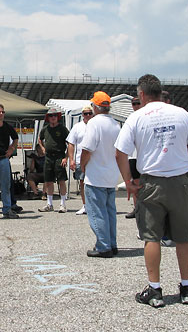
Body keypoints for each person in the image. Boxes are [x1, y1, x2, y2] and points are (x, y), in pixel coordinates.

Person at [115, 74, 188, 307]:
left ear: (142, 94)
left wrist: (129, 181)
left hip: (151, 182)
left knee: (151, 237)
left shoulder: (137, 117)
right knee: (184, 237)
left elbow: (120, 153)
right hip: (180, 182)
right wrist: (178, 150)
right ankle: (186, 287)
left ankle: (155, 290)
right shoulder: (181, 113)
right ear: (160, 92)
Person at [80, 92, 120, 258]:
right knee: (110, 212)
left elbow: (87, 149)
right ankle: (112, 243)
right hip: (111, 174)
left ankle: (103, 246)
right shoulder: (115, 124)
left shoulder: (94, 123)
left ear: (95, 107)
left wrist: (82, 166)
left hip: (96, 175)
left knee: (97, 212)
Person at [38, 108, 69, 213]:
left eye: (55, 115)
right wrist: (42, 148)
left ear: (58, 117)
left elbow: (70, 143)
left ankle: (63, 204)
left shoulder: (62, 129)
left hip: (59, 156)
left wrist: (66, 157)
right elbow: (40, 138)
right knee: (49, 181)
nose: (53, 117)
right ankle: (49, 204)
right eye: (51, 116)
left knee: (61, 180)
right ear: (48, 118)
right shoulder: (45, 129)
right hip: (48, 157)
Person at [67, 105, 93, 215]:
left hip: (94, 160)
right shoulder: (77, 127)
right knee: (82, 182)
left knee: (94, 184)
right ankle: (85, 205)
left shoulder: (96, 125)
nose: (87, 115)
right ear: (82, 115)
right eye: (85, 113)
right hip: (80, 159)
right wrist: (71, 160)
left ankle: (95, 205)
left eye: (89, 113)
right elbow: (71, 143)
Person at [125, 97, 141, 219]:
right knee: (134, 183)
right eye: (134, 104)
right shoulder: (130, 119)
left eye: (137, 103)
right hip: (132, 156)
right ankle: (137, 208)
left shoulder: (146, 116)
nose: (135, 105)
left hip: (143, 156)